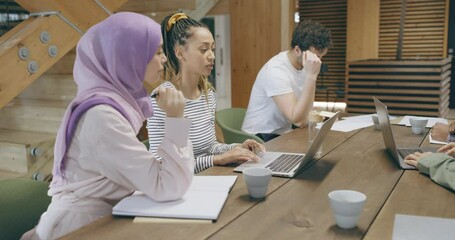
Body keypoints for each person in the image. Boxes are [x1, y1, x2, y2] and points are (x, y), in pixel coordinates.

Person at [22, 13, 194, 240]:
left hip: (103, 220)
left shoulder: (114, 104)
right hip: (82, 230)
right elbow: (167, 186)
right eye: (158, 51)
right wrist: (175, 120)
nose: (164, 59)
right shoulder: (102, 117)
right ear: (128, 57)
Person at [147, 12, 265, 174]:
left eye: (213, 49)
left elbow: (210, 147)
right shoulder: (161, 98)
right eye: (204, 50)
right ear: (180, 53)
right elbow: (160, 165)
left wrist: (236, 148)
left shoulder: (207, 93)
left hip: (207, 178)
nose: (212, 56)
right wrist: (217, 159)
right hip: (179, 186)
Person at [241, 19, 332, 142]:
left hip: (283, 132)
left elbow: (305, 114)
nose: (318, 62)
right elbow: (299, 120)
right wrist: (311, 76)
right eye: (315, 57)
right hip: (260, 137)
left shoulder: (306, 65)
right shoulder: (275, 70)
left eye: (321, 57)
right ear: (297, 50)